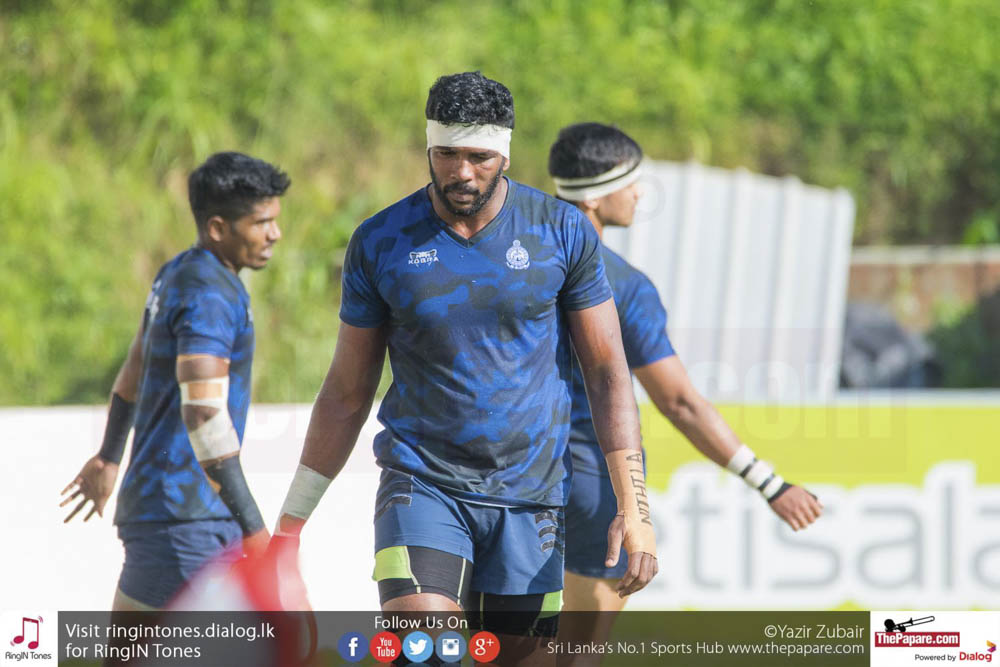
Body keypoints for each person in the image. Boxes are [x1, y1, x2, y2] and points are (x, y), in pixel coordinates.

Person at [271, 73, 657, 657]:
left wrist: (634, 507)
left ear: (505, 154)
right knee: (425, 645)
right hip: (422, 484)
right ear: (428, 148)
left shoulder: (560, 231)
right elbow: (347, 393)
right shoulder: (381, 241)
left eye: (479, 157)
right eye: (446, 154)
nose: (462, 172)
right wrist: (290, 526)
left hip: (533, 497)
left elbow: (607, 374)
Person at [548, 123, 824, 651]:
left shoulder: (510, 262)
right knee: (578, 652)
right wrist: (770, 484)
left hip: (504, 475)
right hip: (591, 485)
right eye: (629, 183)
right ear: (597, 196)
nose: (638, 194)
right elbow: (679, 402)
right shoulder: (623, 285)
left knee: (508, 643)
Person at [60, 151, 290, 611]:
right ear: (218, 227)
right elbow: (204, 414)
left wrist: (108, 458)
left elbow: (133, 373)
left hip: (171, 513)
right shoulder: (209, 293)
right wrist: (255, 530)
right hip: (188, 520)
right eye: (261, 222)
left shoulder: (178, 273)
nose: (275, 234)